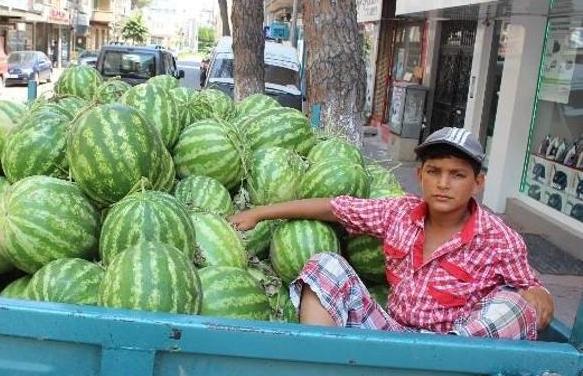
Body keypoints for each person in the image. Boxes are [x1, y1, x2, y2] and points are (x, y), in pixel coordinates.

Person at [229, 127, 554, 340]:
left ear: (477, 183)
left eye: (457, 175)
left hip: (455, 351)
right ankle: (321, 365)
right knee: (325, 265)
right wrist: (259, 213)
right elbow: (332, 207)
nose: (443, 183)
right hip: (391, 336)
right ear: (420, 176)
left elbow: (532, 290)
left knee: (513, 305)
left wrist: (540, 297)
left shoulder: (498, 237)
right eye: (434, 172)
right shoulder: (397, 213)